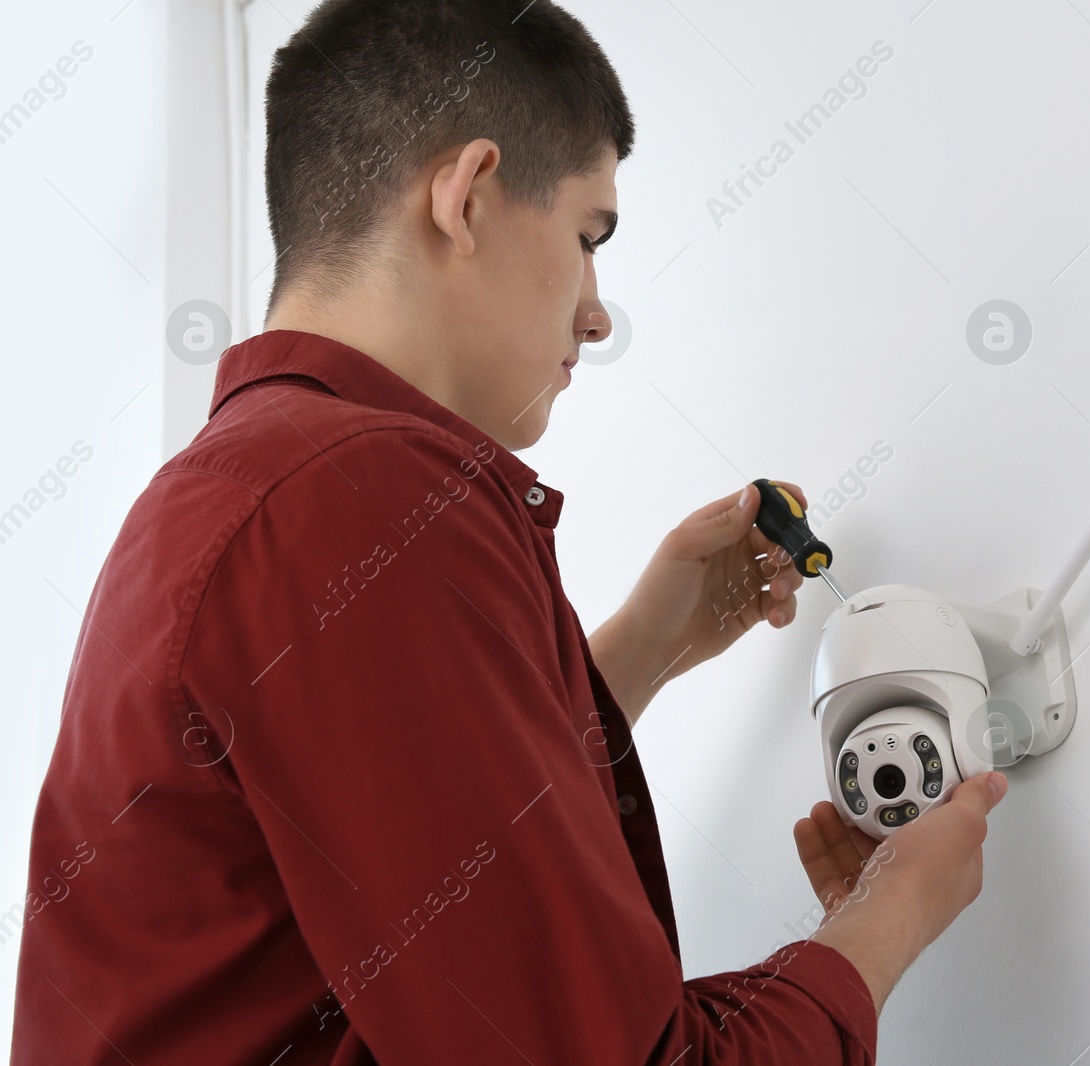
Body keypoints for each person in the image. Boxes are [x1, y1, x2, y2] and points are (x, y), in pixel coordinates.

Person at [9, 1, 1007, 1062]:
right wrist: (887, 918)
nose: (596, 310)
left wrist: (639, 650)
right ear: (470, 193)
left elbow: (397, 871)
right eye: (587, 236)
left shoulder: (239, 489)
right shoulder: (360, 499)